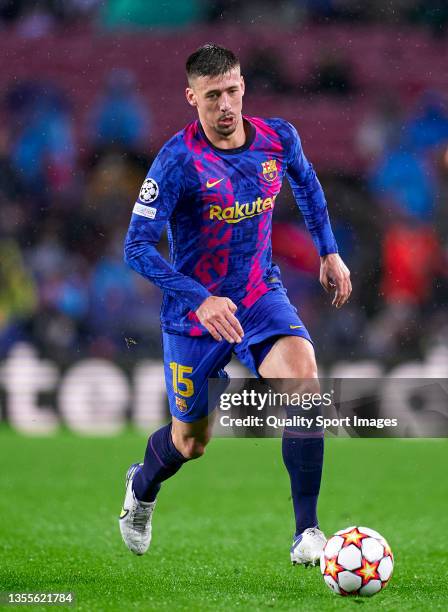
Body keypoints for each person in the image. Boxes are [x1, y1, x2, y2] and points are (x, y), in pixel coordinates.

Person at [120, 44, 351, 565]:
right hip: (194, 313)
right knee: (190, 443)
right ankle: (142, 486)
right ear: (191, 97)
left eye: (232, 91)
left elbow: (308, 185)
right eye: (212, 96)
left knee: (303, 379)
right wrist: (200, 300)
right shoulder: (177, 161)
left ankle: (307, 532)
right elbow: (135, 247)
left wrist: (329, 251)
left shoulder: (276, 138)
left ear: (243, 86)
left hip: (256, 292)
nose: (225, 105)